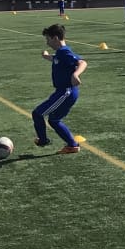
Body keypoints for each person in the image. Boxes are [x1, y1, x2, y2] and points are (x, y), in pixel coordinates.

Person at [32, 23, 86, 155]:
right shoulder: (60, 54)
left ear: (55, 38)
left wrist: (75, 74)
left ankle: (43, 140)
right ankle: (72, 145)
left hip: (66, 92)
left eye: (48, 39)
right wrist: (46, 56)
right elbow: (56, 60)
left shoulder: (64, 51)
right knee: (54, 120)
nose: (47, 43)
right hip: (63, 92)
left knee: (38, 113)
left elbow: (82, 62)